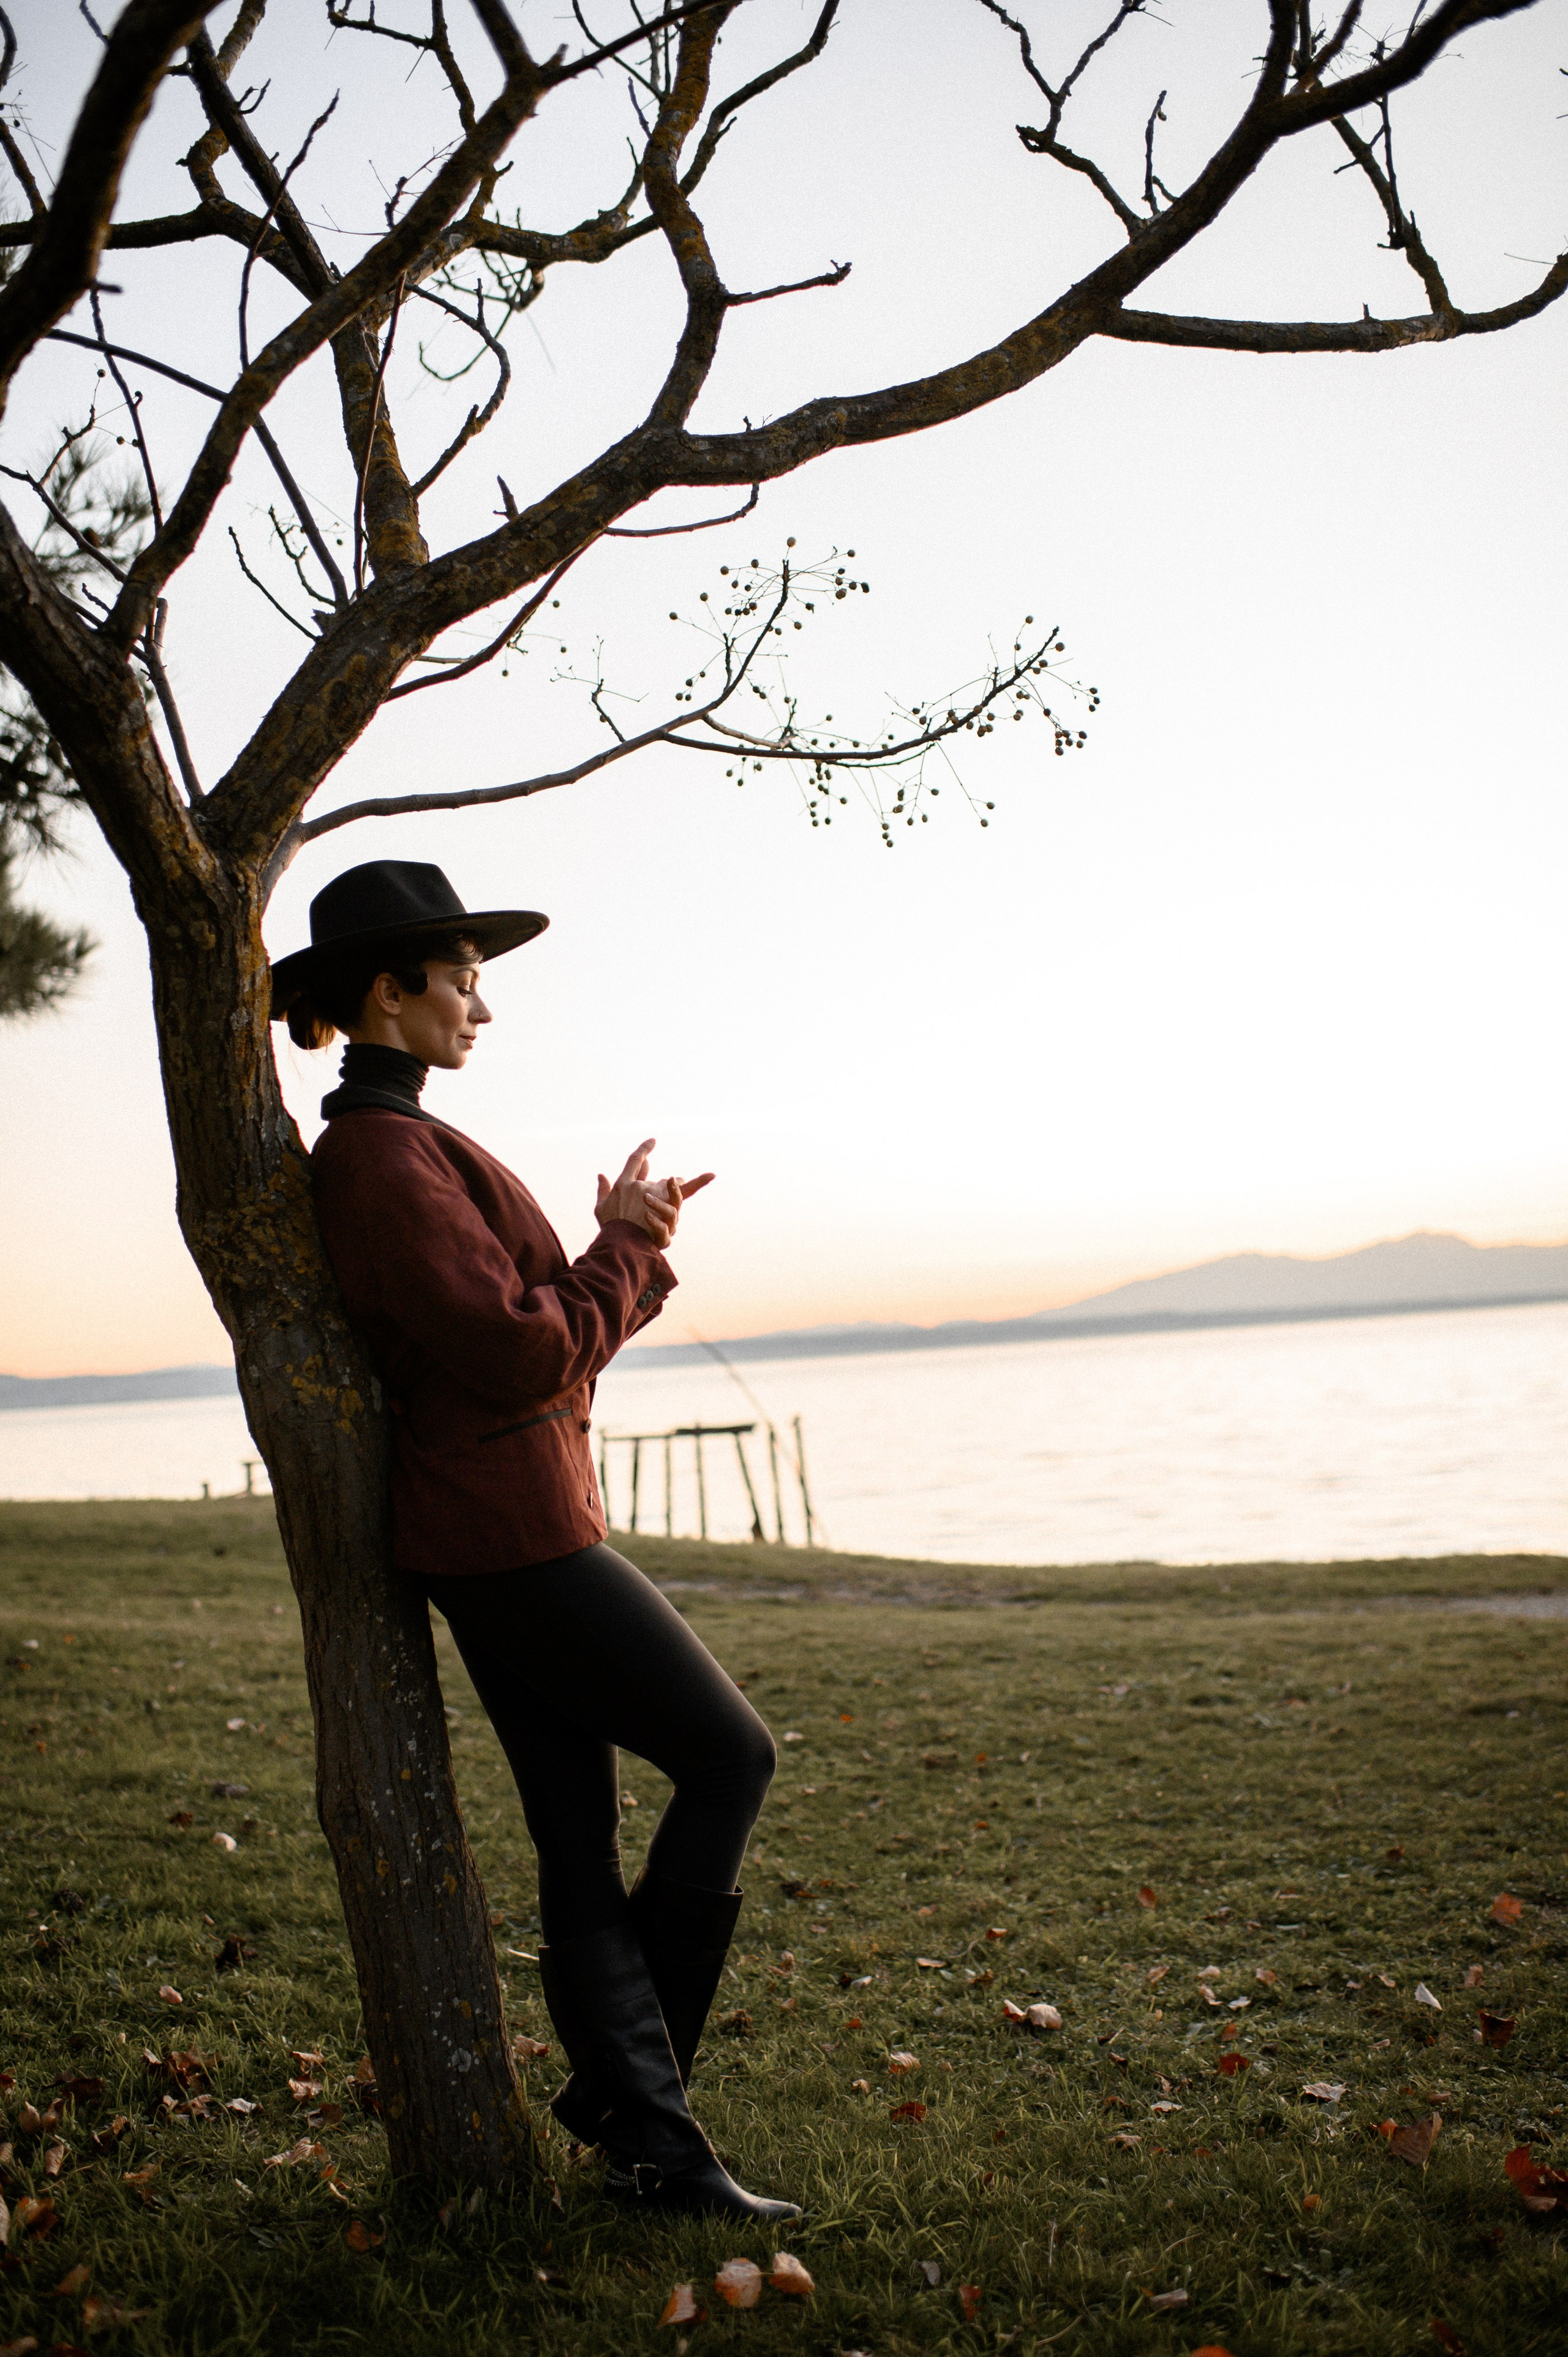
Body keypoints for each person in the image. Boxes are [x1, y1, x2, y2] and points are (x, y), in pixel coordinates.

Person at [269, 858, 797, 2222]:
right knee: (731, 1755)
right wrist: (620, 1259)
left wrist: (617, 1248)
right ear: (390, 992)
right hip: (508, 1536)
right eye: (463, 979)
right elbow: (519, 1353)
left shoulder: (408, 1145)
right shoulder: (382, 1158)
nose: (481, 1009)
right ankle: (637, 2108)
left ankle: (651, 2145)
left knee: (576, 1836)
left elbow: (533, 1339)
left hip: (502, 1522)